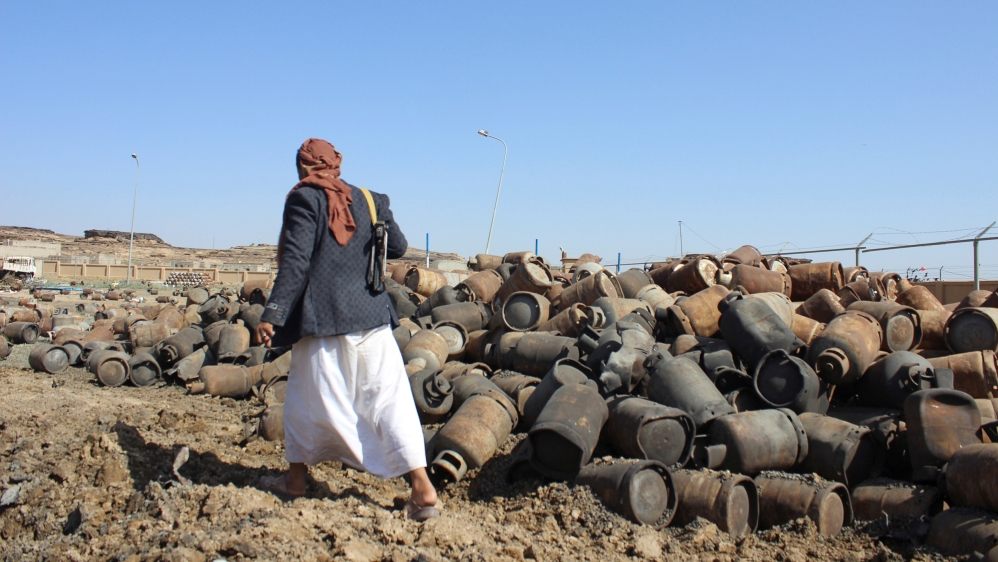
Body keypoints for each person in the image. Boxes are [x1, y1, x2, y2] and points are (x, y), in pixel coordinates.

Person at [255, 138, 439, 521]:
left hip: (324, 322)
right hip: (372, 318)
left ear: (304, 167)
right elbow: (398, 247)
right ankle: (422, 489)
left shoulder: (305, 199)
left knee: (305, 402)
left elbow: (296, 262)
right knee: (389, 403)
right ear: (336, 164)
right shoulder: (370, 200)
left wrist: (273, 313)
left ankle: (295, 480)